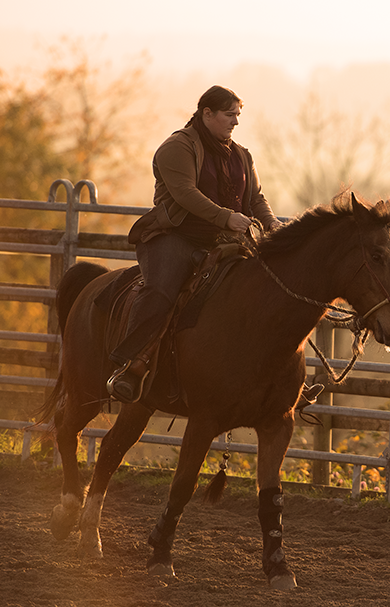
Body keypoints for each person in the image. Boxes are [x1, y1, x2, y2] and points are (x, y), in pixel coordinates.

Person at [107, 85, 280, 402]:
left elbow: (255, 198)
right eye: (230, 115)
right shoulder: (176, 148)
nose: (235, 123)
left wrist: (272, 224)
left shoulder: (243, 155)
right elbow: (185, 194)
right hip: (175, 237)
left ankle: (274, 374)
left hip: (225, 242)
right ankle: (130, 365)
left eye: (238, 116)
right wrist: (226, 217)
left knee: (266, 290)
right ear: (207, 113)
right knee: (162, 291)